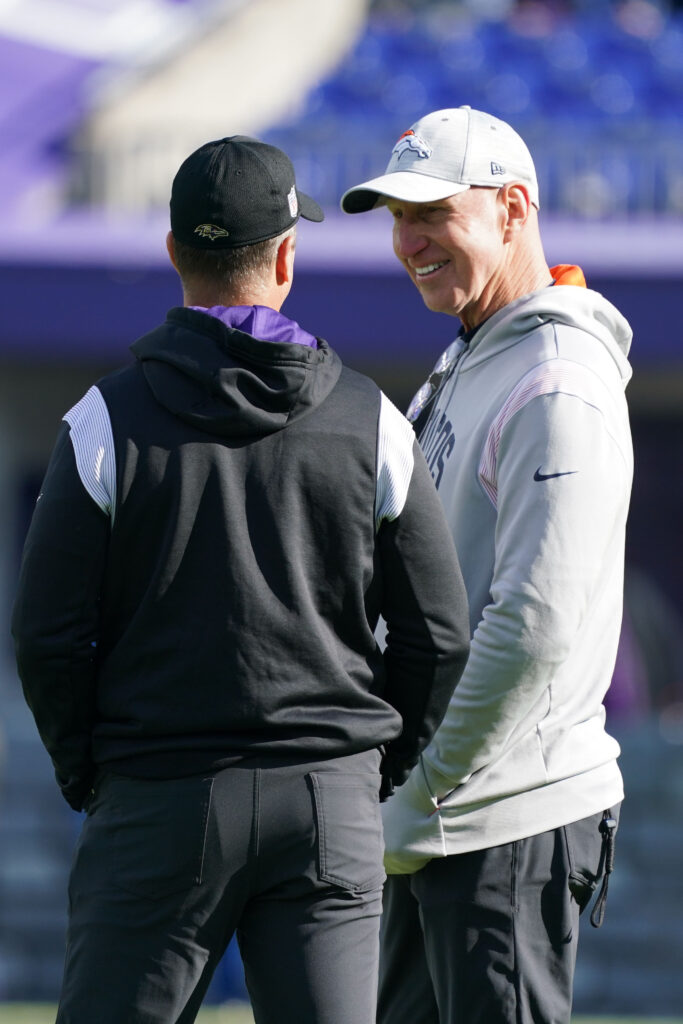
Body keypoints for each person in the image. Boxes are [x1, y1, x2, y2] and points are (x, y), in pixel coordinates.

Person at [11, 136, 471, 1024]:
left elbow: (46, 636)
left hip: (157, 795)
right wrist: (371, 766)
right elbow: (438, 632)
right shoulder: (371, 418)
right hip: (325, 796)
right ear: (287, 258)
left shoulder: (104, 418)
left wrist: (91, 772)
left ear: (176, 252)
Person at [341, 105, 633, 1024]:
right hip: (445, 819)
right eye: (395, 217)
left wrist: (418, 786)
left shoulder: (558, 376)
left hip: (500, 815)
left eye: (433, 213)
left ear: (513, 209)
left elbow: (532, 625)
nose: (407, 240)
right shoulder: (470, 356)